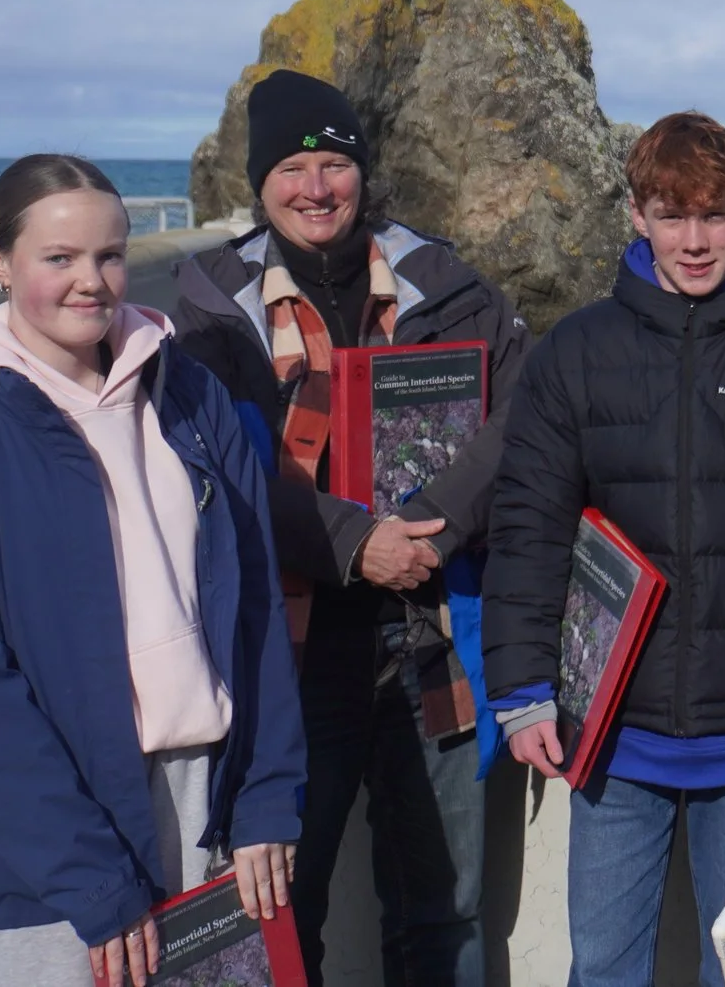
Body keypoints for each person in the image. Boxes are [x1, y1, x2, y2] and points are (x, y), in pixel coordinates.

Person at [0, 155, 303, 987]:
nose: (92, 281)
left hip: (203, 810)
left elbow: (252, 601)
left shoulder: (191, 399)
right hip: (36, 851)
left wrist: (265, 797)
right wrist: (92, 877)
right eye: (60, 258)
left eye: (110, 255)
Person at [481, 112, 725, 987]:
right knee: (604, 967)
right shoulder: (576, 350)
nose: (695, 240)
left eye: (715, 215)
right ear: (637, 214)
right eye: (672, 213)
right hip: (611, 731)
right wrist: (525, 691)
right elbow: (529, 526)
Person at [173, 69, 529, 986]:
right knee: (290, 913)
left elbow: (523, 410)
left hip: (428, 641)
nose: (316, 186)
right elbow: (224, 461)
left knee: (444, 911)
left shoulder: (447, 284)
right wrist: (352, 540)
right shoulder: (213, 309)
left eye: (334, 162)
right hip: (291, 663)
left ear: (363, 172)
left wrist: (433, 525)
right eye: (293, 166)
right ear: (258, 181)